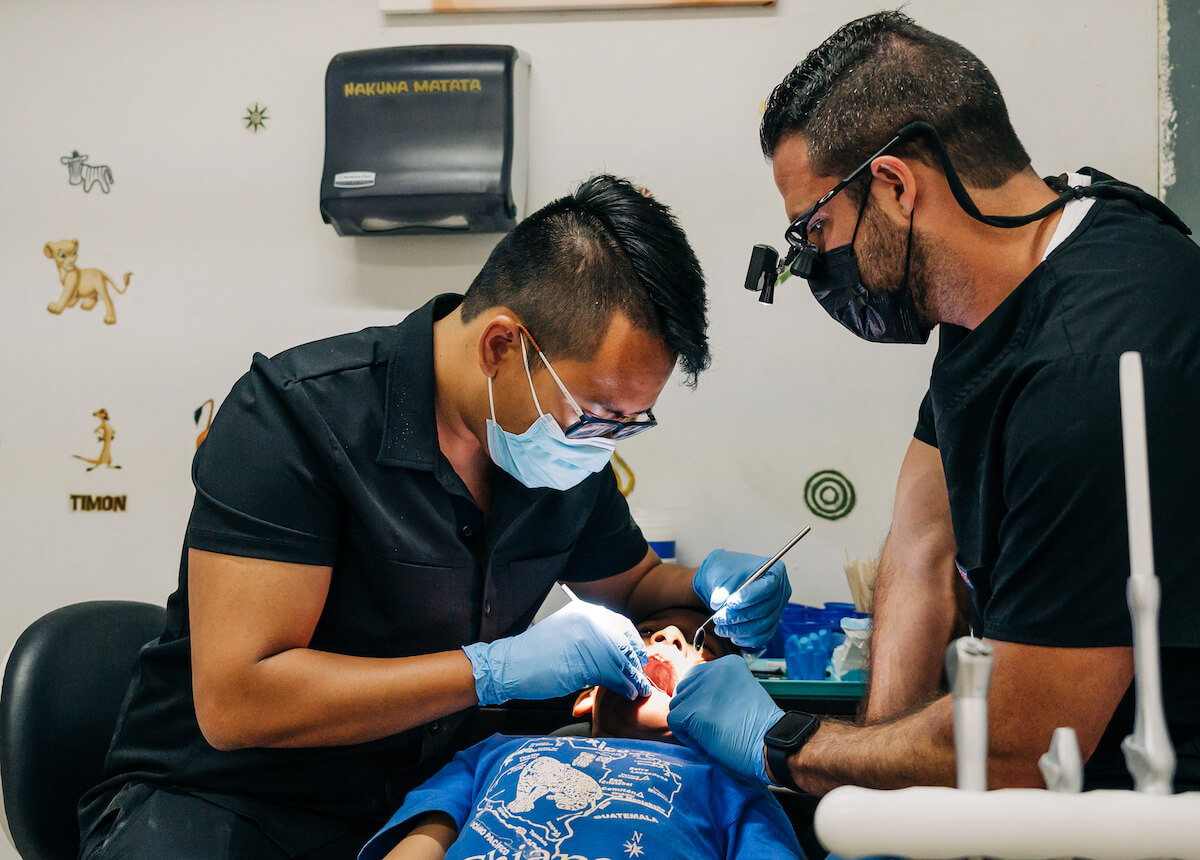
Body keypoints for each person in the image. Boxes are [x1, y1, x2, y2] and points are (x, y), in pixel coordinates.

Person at [77, 174, 792, 859]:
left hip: (420, 805)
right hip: (222, 805)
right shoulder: (294, 418)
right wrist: (490, 670)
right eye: (597, 416)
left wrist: (711, 587)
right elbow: (239, 703)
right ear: (502, 346)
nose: (603, 443)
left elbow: (633, 587)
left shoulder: (561, 459)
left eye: (629, 425)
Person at [668, 11, 1200, 799]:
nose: (812, 264)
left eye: (814, 231)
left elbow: (1024, 748)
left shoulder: (1092, 369)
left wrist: (782, 743)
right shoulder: (1002, 277)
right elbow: (921, 542)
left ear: (894, 186)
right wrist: (877, 798)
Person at [358, 606, 803, 860]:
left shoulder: (734, 789)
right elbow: (419, 847)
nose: (669, 636)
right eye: (645, 634)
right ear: (587, 694)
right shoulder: (494, 754)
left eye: (698, 646)